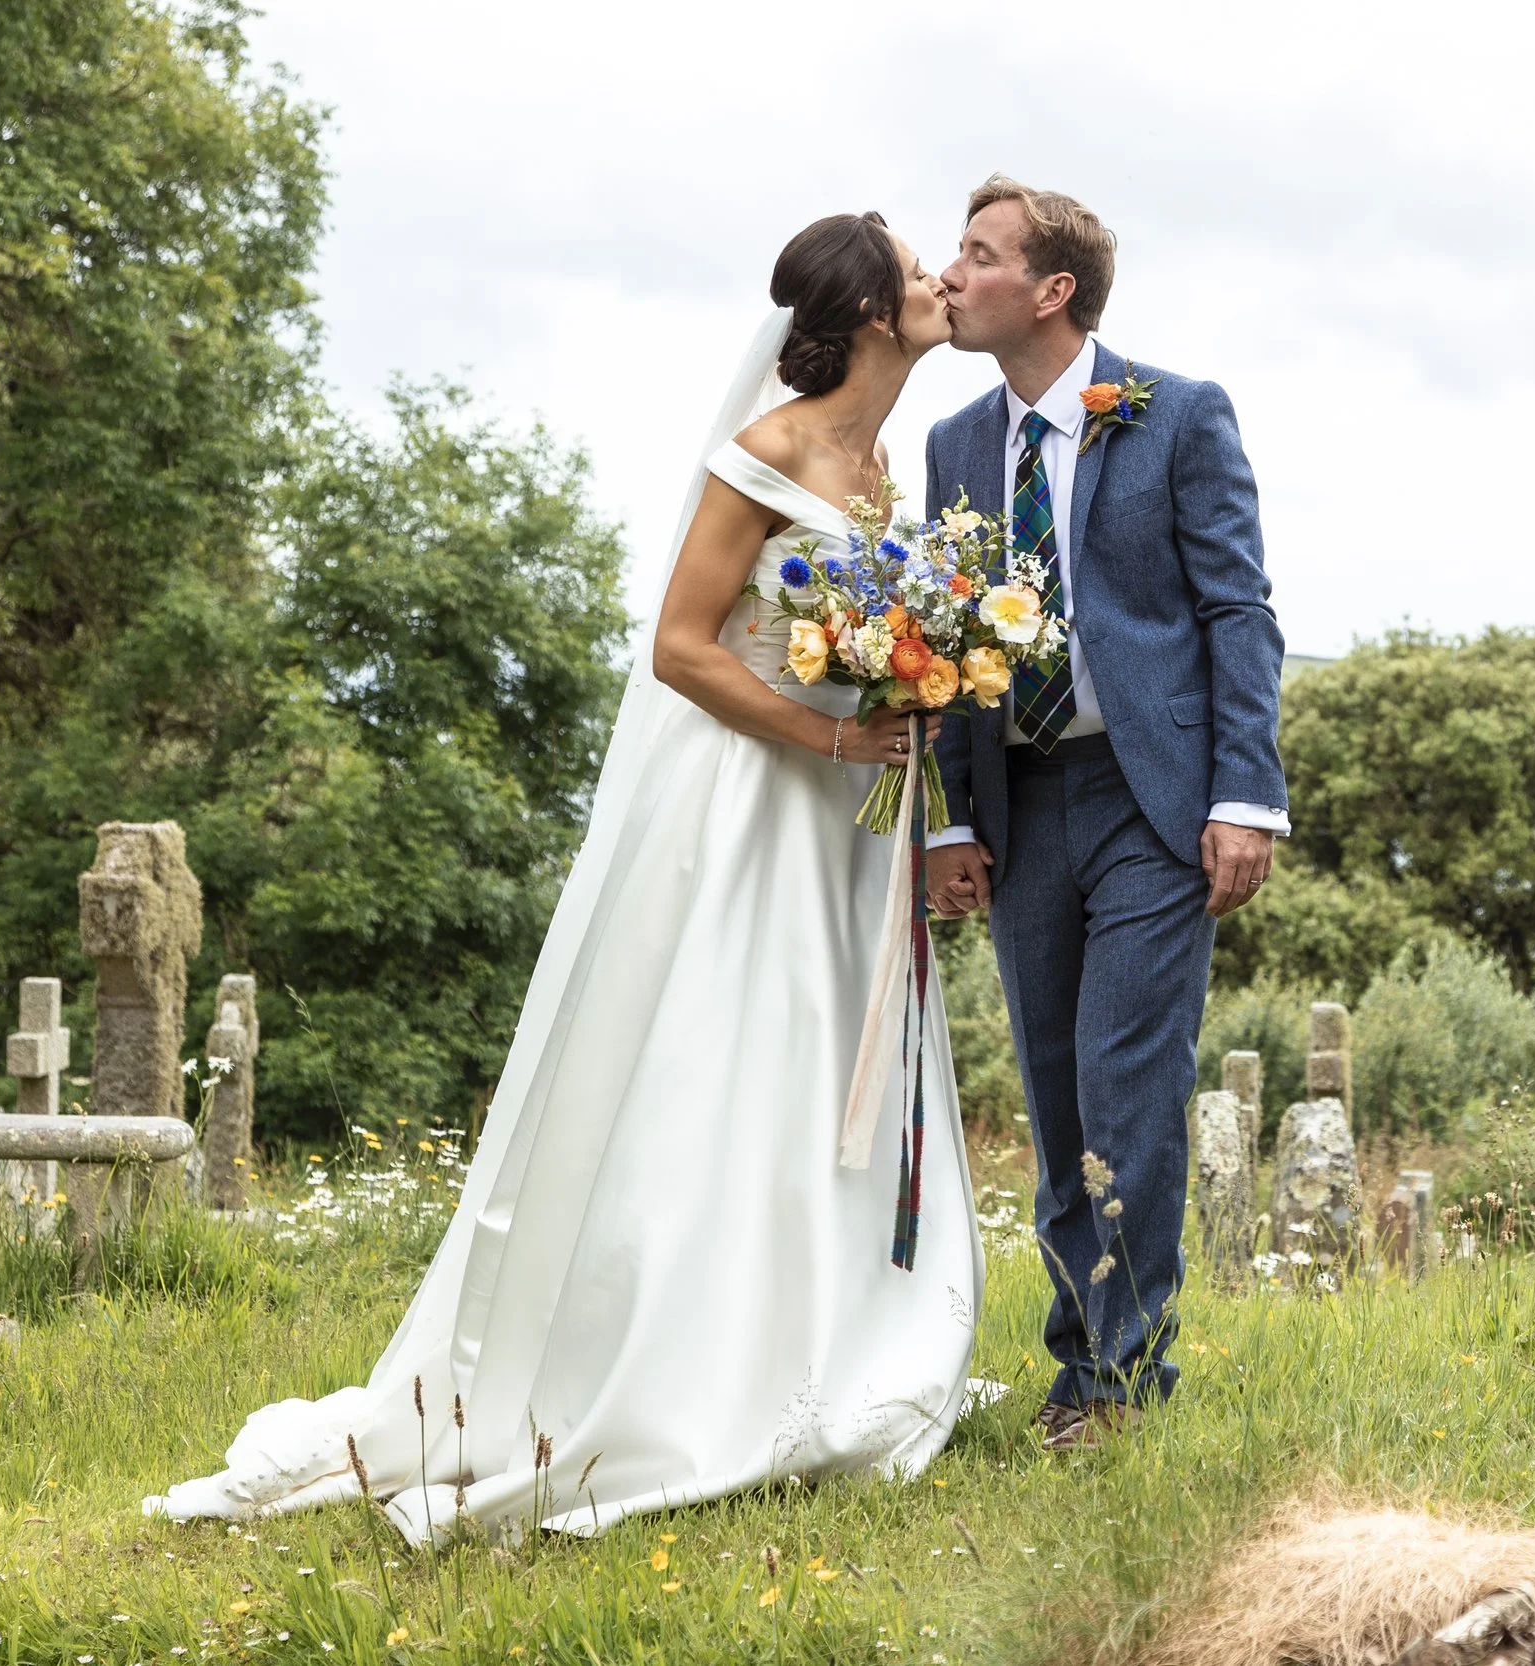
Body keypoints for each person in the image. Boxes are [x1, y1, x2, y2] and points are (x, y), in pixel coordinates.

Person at [146, 213, 984, 1544]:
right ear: (872, 308)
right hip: (753, 804)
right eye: (916, 263)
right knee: (728, 1064)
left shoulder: (893, 465)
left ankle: (814, 1342)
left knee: (825, 1067)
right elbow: (679, 646)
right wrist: (832, 729)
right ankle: (659, 1368)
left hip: (846, 825)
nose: (942, 275)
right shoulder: (769, 448)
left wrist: (909, 695)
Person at [923, 177, 1288, 1450]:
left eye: (977, 254)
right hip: (1019, 806)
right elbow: (944, 648)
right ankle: (1078, 1356)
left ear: (1051, 288)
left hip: (1153, 802)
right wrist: (946, 819)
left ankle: (1122, 1384)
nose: (950, 273)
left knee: (1127, 1079)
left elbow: (1237, 611)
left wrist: (1245, 796)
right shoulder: (955, 446)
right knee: (1053, 1089)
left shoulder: (1176, 413)